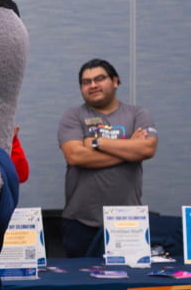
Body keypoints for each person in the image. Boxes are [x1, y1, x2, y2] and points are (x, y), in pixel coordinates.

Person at [58, 58, 157, 257]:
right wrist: (129, 150)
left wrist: (97, 142)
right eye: (86, 82)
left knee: (127, 283)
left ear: (115, 81)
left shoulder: (137, 113)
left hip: (128, 221)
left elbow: (146, 148)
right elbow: (75, 155)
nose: (93, 85)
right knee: (81, 285)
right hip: (80, 222)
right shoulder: (73, 116)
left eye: (99, 79)